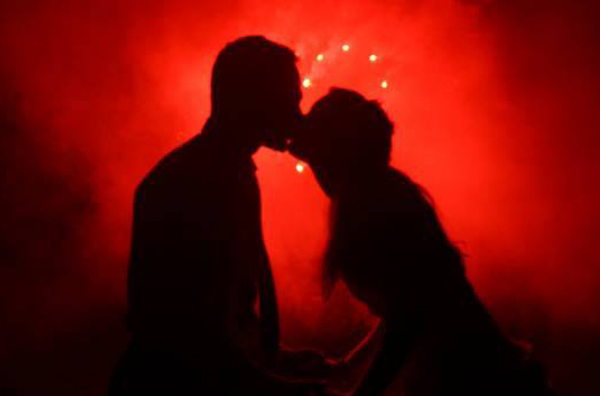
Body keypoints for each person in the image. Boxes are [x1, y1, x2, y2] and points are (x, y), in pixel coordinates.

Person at [290, 88, 554, 396]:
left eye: (320, 159)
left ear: (338, 155)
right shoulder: (375, 191)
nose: (316, 170)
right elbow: (403, 304)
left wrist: (362, 392)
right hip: (467, 367)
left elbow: (408, 317)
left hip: (469, 375)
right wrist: (351, 364)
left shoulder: (376, 204)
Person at [110, 36, 321, 395]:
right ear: (255, 99)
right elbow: (191, 338)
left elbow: (223, 318)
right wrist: (289, 390)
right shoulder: (201, 183)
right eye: (290, 100)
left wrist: (280, 360)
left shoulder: (224, 171)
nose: (297, 116)